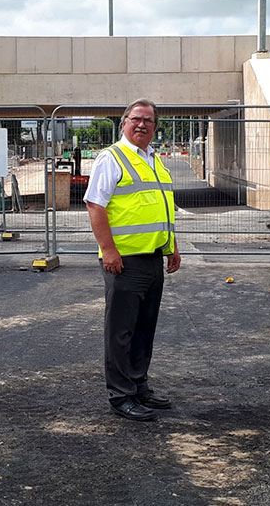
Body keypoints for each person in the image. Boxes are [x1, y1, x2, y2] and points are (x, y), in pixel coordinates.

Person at [83, 99, 181, 422]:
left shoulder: (156, 160)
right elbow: (95, 205)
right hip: (123, 261)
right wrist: (108, 250)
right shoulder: (111, 158)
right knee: (121, 331)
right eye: (136, 119)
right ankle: (121, 395)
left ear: (155, 127)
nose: (142, 124)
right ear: (124, 122)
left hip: (153, 258)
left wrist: (172, 247)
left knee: (144, 329)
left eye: (149, 120)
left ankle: (139, 385)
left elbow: (162, 208)